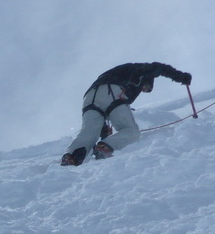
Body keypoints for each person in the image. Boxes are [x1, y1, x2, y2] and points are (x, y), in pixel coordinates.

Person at [60, 61, 191, 166]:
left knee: (89, 132)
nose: (144, 90)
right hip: (111, 90)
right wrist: (181, 77)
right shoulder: (140, 70)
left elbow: (102, 116)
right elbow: (159, 67)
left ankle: (71, 157)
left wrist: (105, 135)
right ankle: (105, 148)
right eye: (146, 87)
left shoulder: (123, 73)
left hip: (89, 97)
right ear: (147, 80)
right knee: (130, 130)